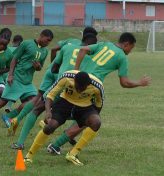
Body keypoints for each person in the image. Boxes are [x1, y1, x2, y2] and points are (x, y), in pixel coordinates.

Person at [49, 32, 151, 165]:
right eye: (131, 48)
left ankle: (58, 136)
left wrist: (76, 71)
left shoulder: (105, 44)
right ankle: (57, 145)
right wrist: (139, 83)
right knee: (90, 119)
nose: (130, 51)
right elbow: (124, 83)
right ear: (126, 44)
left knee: (72, 110)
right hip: (91, 87)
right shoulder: (121, 57)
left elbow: (83, 49)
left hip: (80, 81)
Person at [10, 33, 97, 149]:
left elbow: (54, 67)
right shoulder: (91, 56)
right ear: (92, 45)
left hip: (60, 82)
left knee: (37, 108)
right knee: (85, 114)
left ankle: (20, 142)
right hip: (76, 89)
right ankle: (63, 139)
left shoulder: (67, 46)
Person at [0, 29, 53, 129]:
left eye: (50, 41)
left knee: (34, 101)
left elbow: (39, 68)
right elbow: (14, 59)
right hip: (16, 78)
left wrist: (38, 66)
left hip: (27, 82)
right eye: (47, 40)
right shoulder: (26, 43)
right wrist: (10, 75)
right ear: (42, 36)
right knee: (3, 101)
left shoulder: (45, 51)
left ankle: (8, 116)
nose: (48, 43)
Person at [24, 71, 104, 164]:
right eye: (78, 87)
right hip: (65, 103)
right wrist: (48, 112)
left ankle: (72, 154)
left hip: (84, 107)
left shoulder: (97, 86)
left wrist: (89, 120)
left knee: (96, 122)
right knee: (50, 126)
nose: (80, 90)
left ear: (88, 85)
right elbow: (50, 95)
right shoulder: (66, 77)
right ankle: (29, 156)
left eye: (83, 88)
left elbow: (99, 105)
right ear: (74, 82)